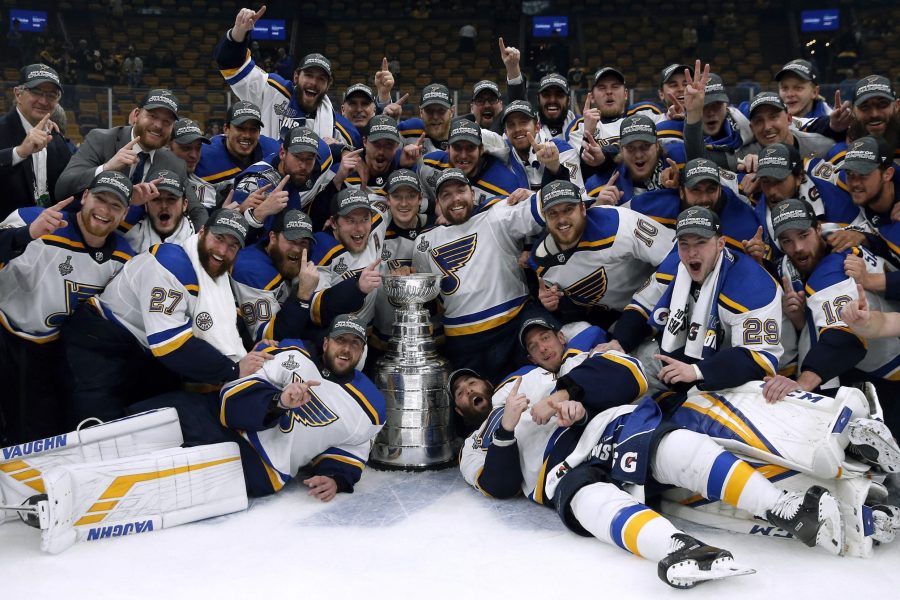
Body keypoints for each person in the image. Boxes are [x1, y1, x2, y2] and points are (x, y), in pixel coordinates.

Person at [460, 354, 842, 588]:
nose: (467, 390)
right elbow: (499, 486)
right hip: (558, 471)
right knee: (588, 500)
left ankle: (787, 509)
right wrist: (506, 429)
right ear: (460, 412)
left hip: (602, 429)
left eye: (470, 381)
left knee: (675, 447)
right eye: (458, 393)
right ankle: (679, 548)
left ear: (488, 380)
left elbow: (629, 372)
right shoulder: (471, 447)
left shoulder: (537, 378)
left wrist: (566, 397)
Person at [130, 314, 386, 499]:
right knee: (163, 410)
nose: (347, 348)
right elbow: (232, 405)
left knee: (175, 472)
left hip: (261, 465)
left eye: (355, 344)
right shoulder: (293, 354)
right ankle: (101, 438)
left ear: (362, 351)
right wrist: (279, 401)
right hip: (221, 421)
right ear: (327, 343)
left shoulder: (369, 407)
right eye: (341, 340)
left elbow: (352, 445)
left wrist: (336, 478)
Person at [61, 209, 272, 425]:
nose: (222, 250)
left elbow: (222, 324)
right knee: (98, 431)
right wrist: (234, 369)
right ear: (202, 232)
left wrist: (247, 350)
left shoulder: (216, 276)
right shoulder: (169, 264)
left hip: (141, 351)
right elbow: (170, 346)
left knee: (156, 424)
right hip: (99, 343)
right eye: (218, 239)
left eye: (232, 246)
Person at [0, 171, 134, 445]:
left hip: (53, 352)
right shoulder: (33, 220)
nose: (105, 210)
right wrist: (26, 234)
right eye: (100, 199)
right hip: (4, 335)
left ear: (124, 214)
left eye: (115, 205)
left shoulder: (123, 257)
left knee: (38, 434)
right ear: (85, 197)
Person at [610, 207, 783, 393]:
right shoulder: (675, 263)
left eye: (701, 242)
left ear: (720, 243)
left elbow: (759, 359)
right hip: (692, 360)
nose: (691, 252)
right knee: (621, 363)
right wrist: (620, 342)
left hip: (752, 375)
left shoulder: (752, 286)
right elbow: (643, 307)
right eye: (684, 244)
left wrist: (698, 371)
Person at [762, 200, 900, 427]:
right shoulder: (837, 233)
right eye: (787, 240)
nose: (797, 248)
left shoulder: (833, 272)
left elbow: (847, 339)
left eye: (803, 235)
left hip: (889, 362)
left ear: (817, 228)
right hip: (876, 339)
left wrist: (803, 383)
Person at [411, 169, 545, 382]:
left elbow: (547, 209)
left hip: (513, 328)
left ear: (472, 193)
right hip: (463, 343)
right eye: (447, 195)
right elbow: (428, 298)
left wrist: (532, 195)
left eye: (460, 191)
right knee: (473, 408)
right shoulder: (423, 243)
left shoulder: (497, 213)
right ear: (438, 203)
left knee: (532, 391)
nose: (455, 199)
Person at [528, 180, 675, 329]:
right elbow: (577, 313)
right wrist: (556, 305)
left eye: (568, 210)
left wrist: (637, 315)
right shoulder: (540, 261)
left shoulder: (617, 223)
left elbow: (674, 255)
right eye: (553, 213)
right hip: (618, 316)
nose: (562, 220)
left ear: (583, 209)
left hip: (667, 295)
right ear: (545, 218)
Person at [55, 88, 208, 229]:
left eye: (167, 122)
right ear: (135, 115)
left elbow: (196, 210)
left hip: (135, 245)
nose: (158, 125)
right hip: (86, 230)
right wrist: (107, 168)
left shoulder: (173, 163)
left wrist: (205, 239)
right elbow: (63, 188)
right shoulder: (101, 140)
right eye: (152, 116)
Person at [215, 6, 359, 147]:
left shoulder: (338, 127)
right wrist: (238, 32)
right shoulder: (271, 89)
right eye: (308, 75)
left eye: (321, 79)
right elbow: (231, 65)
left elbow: (367, 148)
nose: (314, 82)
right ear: (296, 76)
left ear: (328, 85)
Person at [230, 209, 339, 343]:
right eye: (291, 240)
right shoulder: (251, 270)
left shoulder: (290, 258)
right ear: (273, 238)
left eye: (303, 242)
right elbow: (270, 339)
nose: (297, 249)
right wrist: (303, 296)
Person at [629, 157, 759, 256]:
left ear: (720, 189)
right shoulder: (656, 205)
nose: (704, 199)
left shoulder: (746, 228)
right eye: (696, 190)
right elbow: (616, 216)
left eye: (711, 190)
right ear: (681, 192)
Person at [231, 126, 338, 234]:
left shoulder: (296, 173)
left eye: (310, 158)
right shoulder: (255, 183)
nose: (303, 166)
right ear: (282, 153)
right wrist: (259, 214)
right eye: (298, 157)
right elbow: (232, 236)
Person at [0, 64, 72, 216]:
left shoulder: (56, 139)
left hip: (49, 231)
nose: (44, 101)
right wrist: (18, 153)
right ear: (18, 94)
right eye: (36, 92)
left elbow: (69, 184)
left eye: (51, 95)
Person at [419, 116, 526, 209]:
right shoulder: (428, 165)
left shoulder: (507, 186)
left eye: (470, 148)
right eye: (457, 147)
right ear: (447, 148)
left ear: (481, 149)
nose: (463, 155)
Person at [583, 114, 686, 205]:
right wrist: (598, 207)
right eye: (630, 148)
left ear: (657, 146)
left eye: (645, 146)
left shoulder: (678, 162)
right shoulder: (601, 186)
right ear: (621, 150)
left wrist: (682, 188)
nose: (638, 155)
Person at [195, 100, 280, 204]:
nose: (247, 135)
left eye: (253, 129)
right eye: (240, 128)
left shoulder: (273, 150)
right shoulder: (202, 156)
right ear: (226, 129)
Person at [119, 165, 195, 252]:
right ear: (146, 206)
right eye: (156, 199)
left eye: (171, 199)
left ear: (184, 205)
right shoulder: (127, 237)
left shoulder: (197, 246)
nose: (164, 205)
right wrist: (129, 200)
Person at [168, 118, 217, 210]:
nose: (194, 155)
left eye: (198, 148)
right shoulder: (147, 180)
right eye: (186, 148)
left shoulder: (208, 190)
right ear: (168, 146)